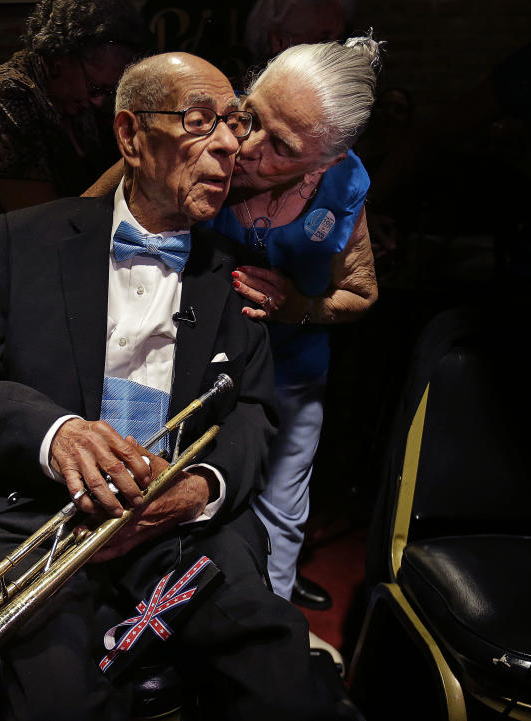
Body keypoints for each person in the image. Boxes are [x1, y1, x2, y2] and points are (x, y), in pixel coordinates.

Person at [0, 51, 352, 721]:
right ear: (132, 136)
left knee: (284, 685)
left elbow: (253, 412)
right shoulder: (26, 240)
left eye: (236, 122)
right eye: (200, 121)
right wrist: (59, 434)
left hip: (186, 532)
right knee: (57, 704)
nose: (230, 144)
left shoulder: (240, 275)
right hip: (49, 520)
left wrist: (195, 490)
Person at [208, 35, 381, 607]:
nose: (249, 146)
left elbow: (361, 293)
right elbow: (102, 210)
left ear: (327, 159)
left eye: (282, 145)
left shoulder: (342, 185)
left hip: (290, 376)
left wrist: (302, 308)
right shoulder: (208, 121)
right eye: (251, 115)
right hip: (195, 370)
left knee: (280, 509)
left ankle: (269, 639)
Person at [0, 0, 145, 351]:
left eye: (107, 92)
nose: (99, 102)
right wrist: (136, 152)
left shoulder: (76, 106)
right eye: (95, 88)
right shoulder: (6, 95)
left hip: (35, 281)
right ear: (61, 57)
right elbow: (48, 228)